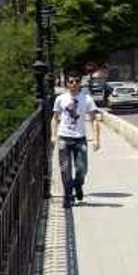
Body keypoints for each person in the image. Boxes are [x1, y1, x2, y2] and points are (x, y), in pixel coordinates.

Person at [52, 75, 100, 208]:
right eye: (71, 81)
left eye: (76, 81)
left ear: (80, 84)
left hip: (80, 139)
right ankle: (68, 196)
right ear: (67, 84)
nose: (74, 83)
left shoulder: (87, 99)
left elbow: (94, 119)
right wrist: (53, 136)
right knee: (65, 169)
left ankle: (77, 185)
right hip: (64, 138)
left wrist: (96, 139)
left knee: (82, 169)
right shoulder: (60, 99)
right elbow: (55, 118)